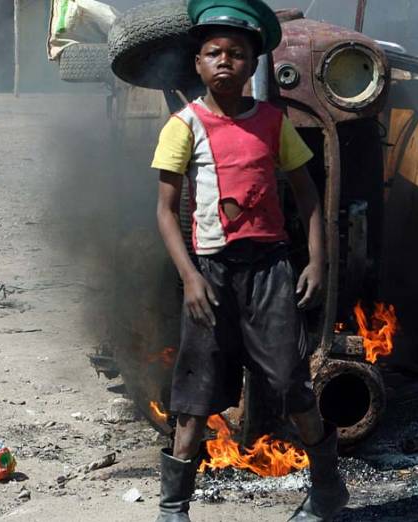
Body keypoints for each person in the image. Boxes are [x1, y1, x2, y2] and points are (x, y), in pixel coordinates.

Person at [151, 1, 348, 520]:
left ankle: (328, 489)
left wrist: (316, 262)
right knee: (194, 397)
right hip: (210, 276)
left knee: (291, 385)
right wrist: (190, 277)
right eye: (213, 52)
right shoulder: (183, 125)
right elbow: (167, 212)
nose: (224, 61)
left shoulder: (272, 122)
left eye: (236, 54)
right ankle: (173, 509)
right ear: (198, 64)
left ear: (251, 65)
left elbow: (307, 196)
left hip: (270, 272)